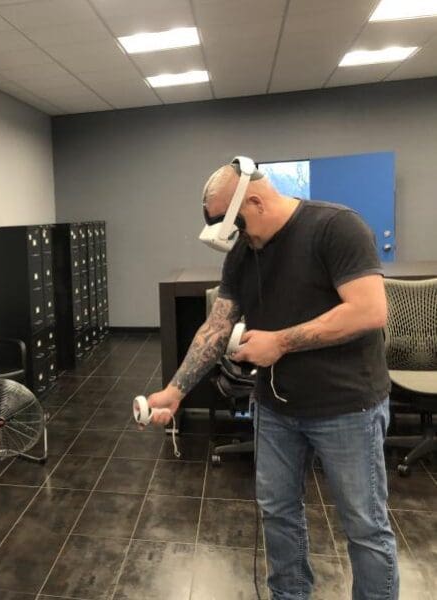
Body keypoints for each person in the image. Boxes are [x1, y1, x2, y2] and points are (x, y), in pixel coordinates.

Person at [146, 159, 398, 600]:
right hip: (276, 409)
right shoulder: (245, 253)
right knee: (278, 514)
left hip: (347, 408)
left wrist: (280, 342)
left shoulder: (336, 227)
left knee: (364, 527)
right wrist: (175, 390)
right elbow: (216, 327)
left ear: (257, 201)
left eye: (239, 226)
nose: (240, 238)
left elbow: (370, 311)